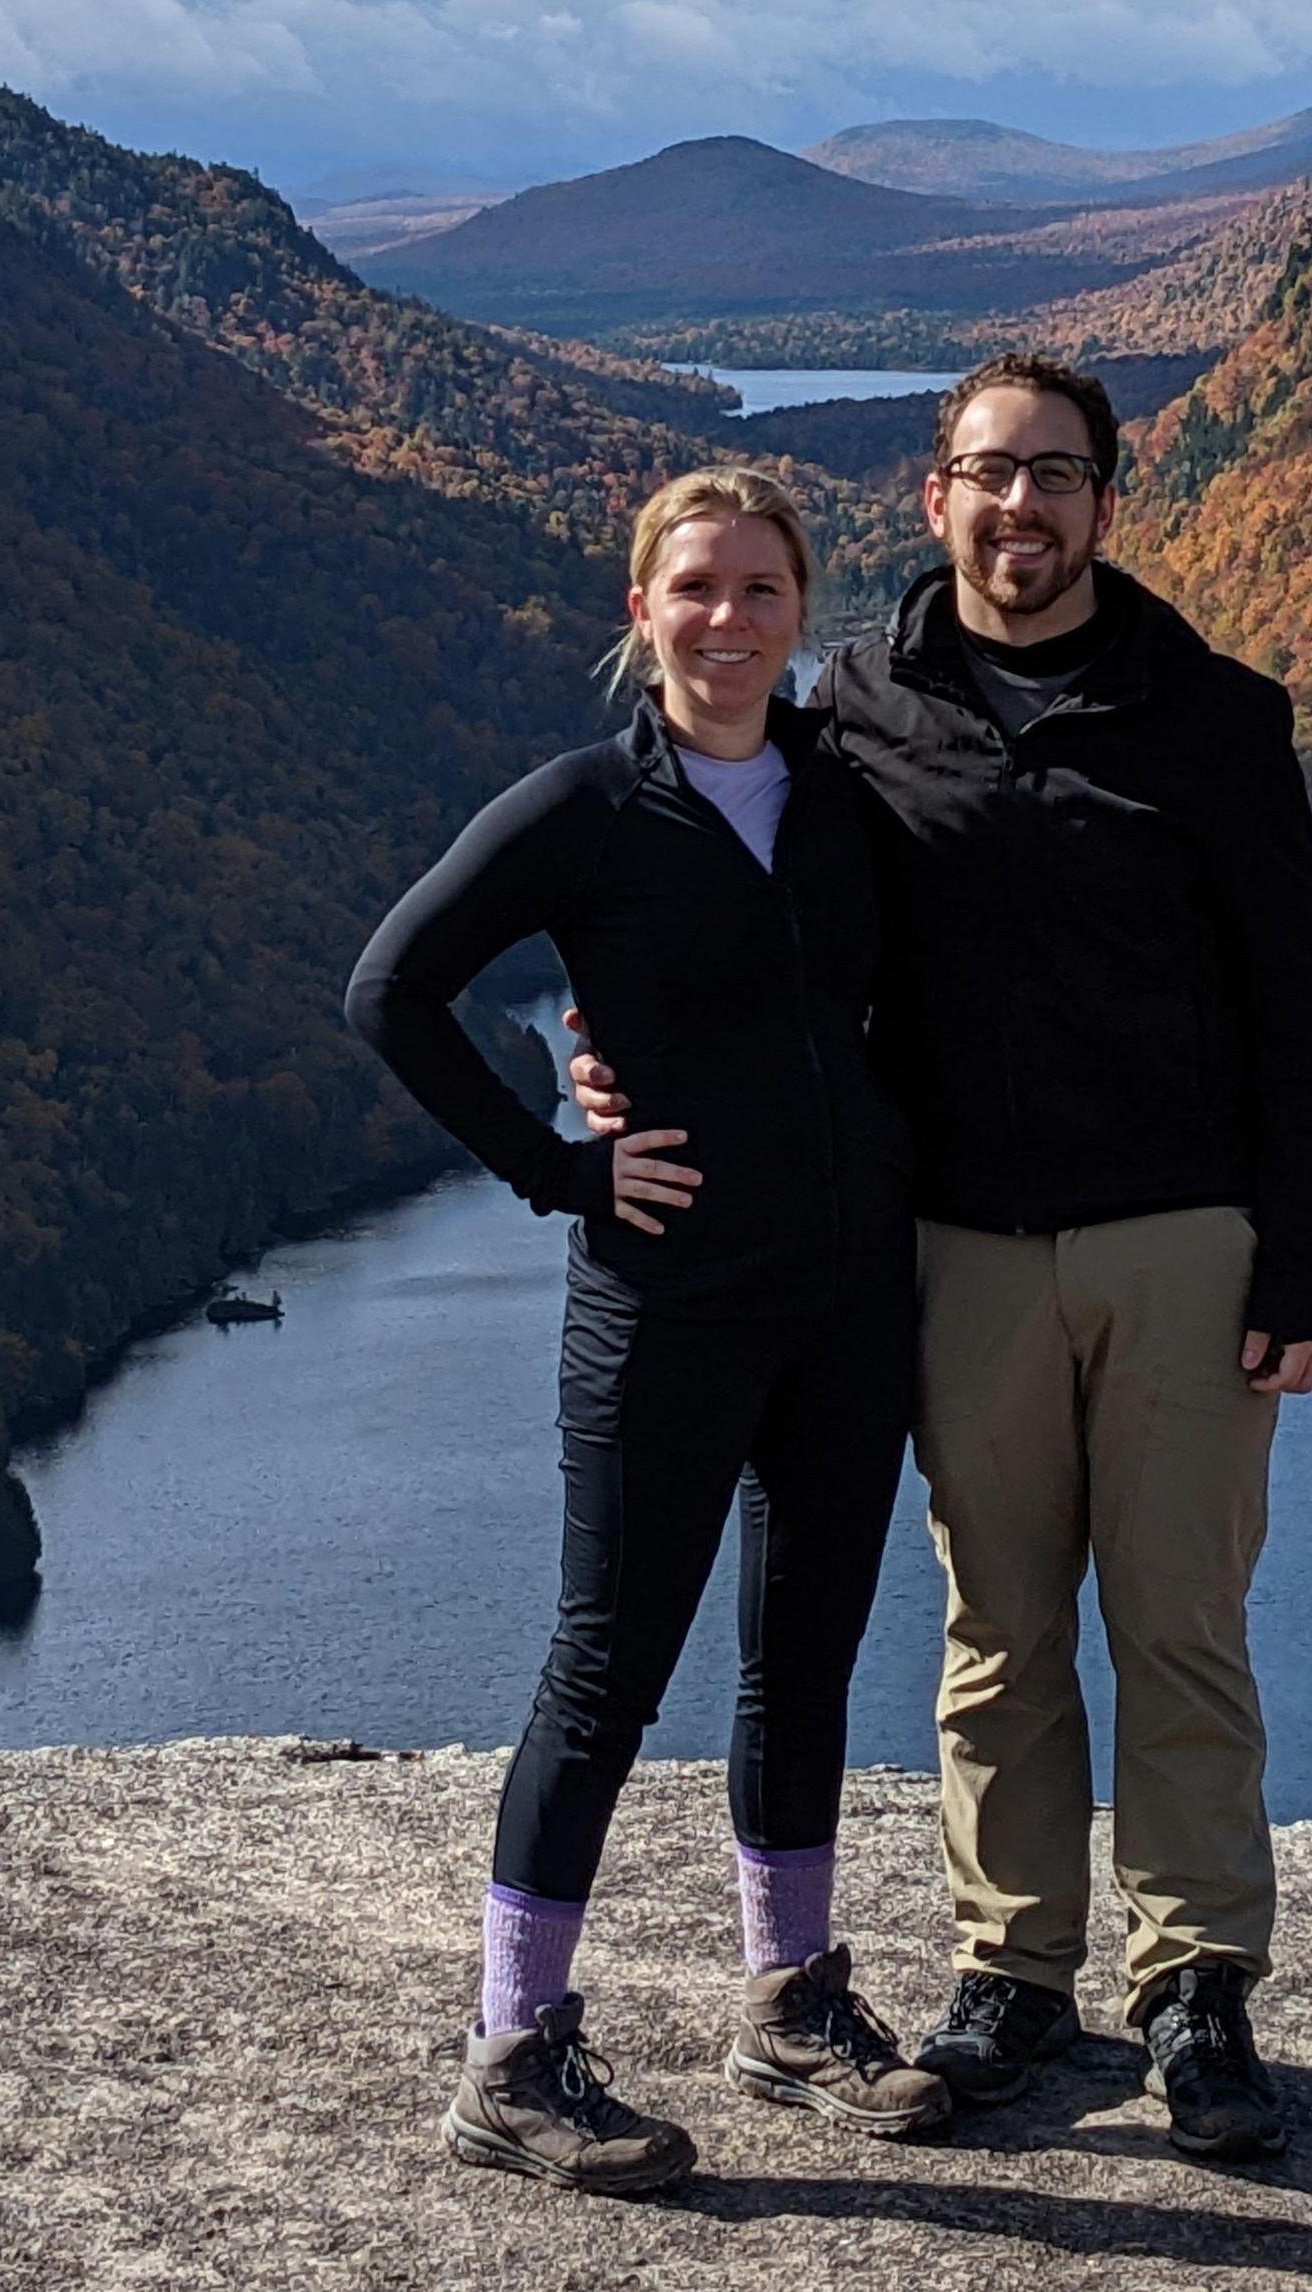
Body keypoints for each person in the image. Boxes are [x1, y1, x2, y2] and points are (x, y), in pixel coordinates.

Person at [572, 354, 1312, 2163]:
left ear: (1106, 501)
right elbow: (729, 898)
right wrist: (615, 1057)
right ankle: (1015, 1973)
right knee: (998, 1629)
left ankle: (1197, 1992)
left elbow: (1298, 1012)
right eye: (991, 475)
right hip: (957, 1250)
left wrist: (1304, 1267)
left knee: (1179, 1625)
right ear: (934, 498)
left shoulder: (1217, 717)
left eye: (1057, 477)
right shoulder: (855, 708)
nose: (1023, 510)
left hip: (1184, 1241)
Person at [345, 465, 951, 2199]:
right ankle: (513, 2050)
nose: (730, 620)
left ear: (804, 614)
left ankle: (790, 2000)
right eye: (697, 588)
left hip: (846, 1297)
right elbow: (390, 988)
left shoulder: (847, 789)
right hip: (668, 1308)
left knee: (808, 1655)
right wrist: (558, 1162)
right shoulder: (584, 808)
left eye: (764, 590)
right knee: (606, 1665)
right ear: (642, 610)